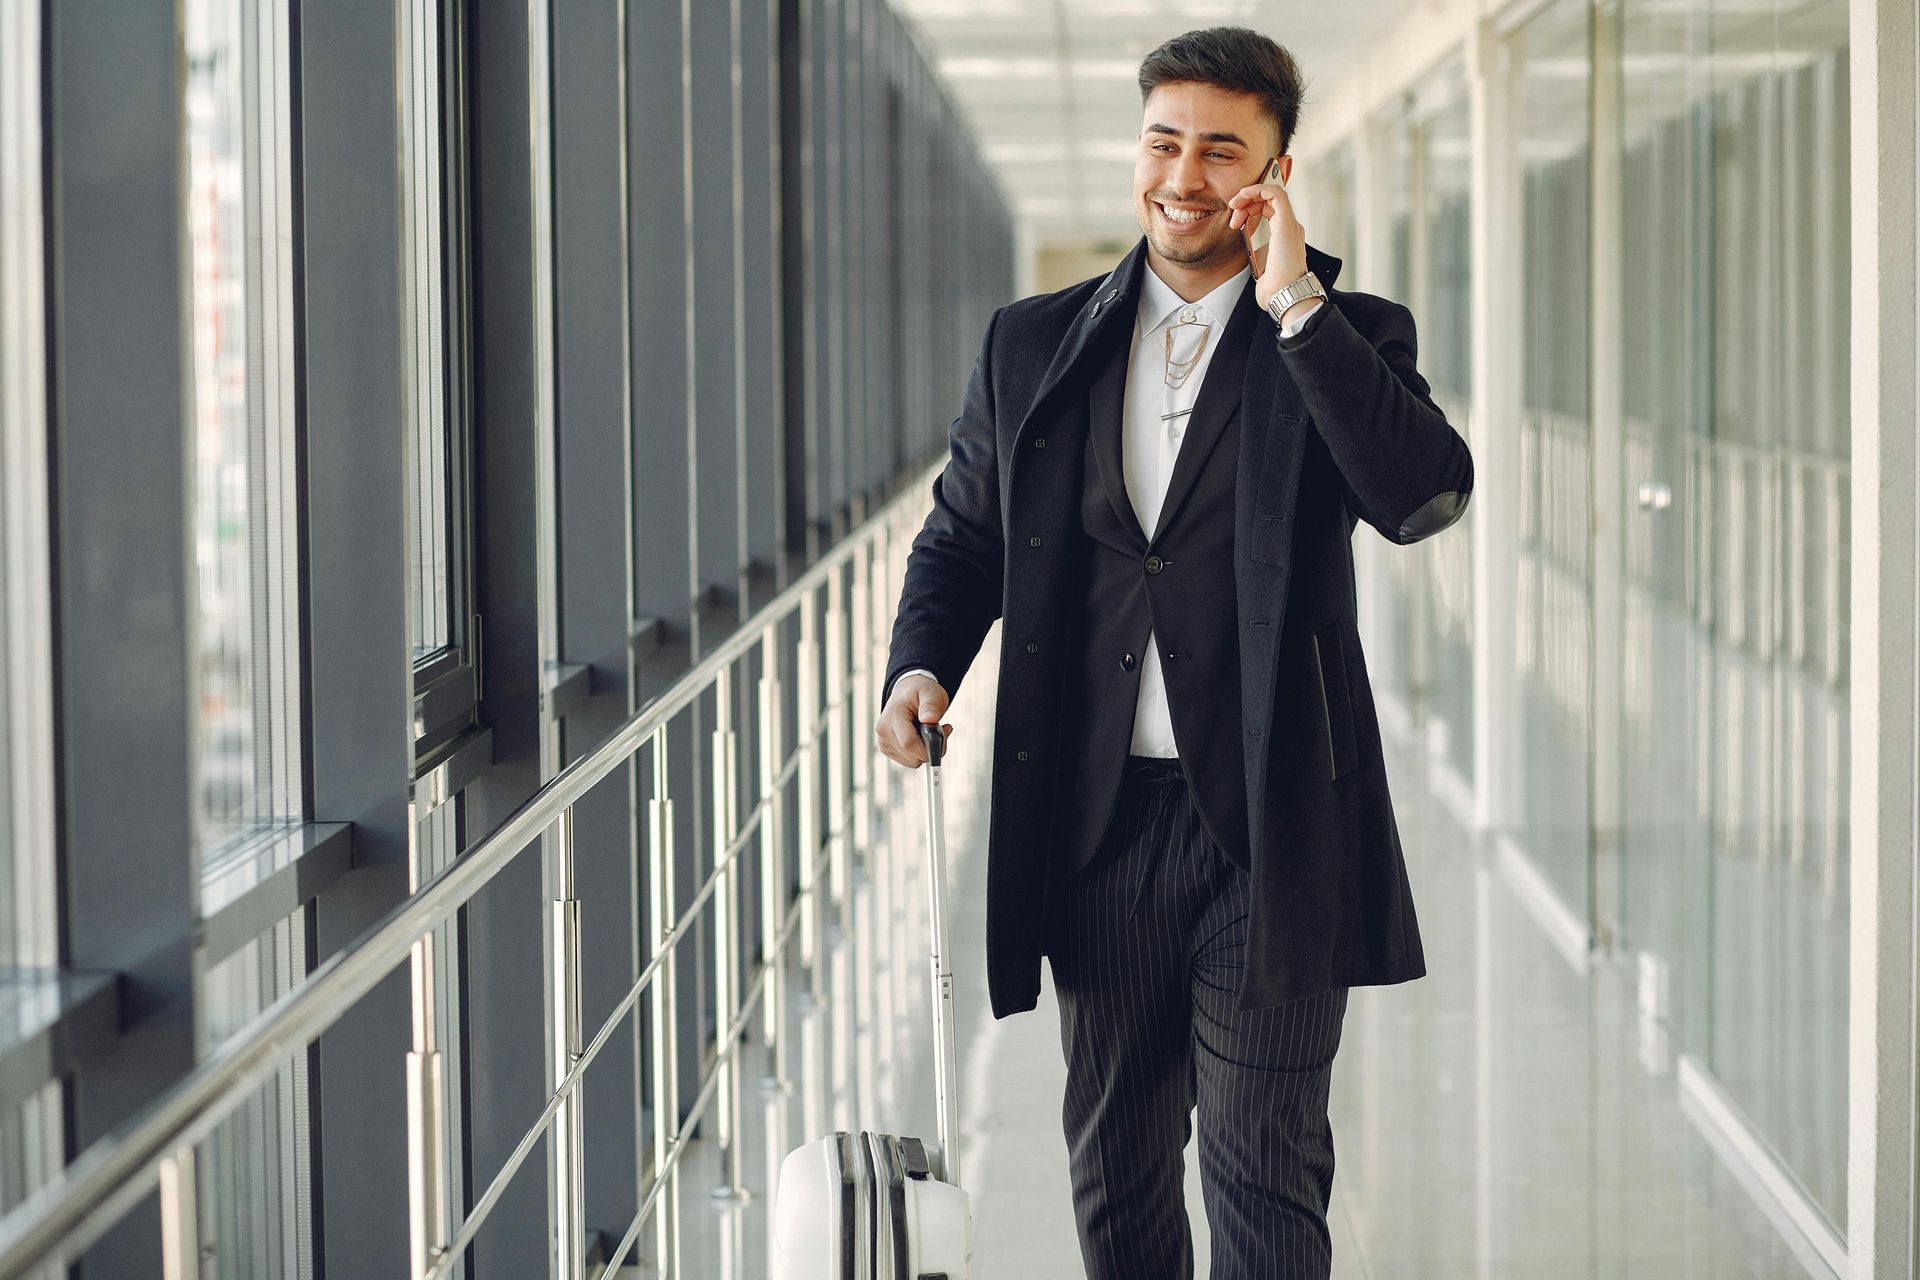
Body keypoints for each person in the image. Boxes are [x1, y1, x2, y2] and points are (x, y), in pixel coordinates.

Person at [873, 25, 1473, 1280]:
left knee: (1261, 1166)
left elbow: (1422, 494)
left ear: (1276, 171)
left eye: (1221, 150)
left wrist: (1296, 302)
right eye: (1163, 142)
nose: (1183, 177)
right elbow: (964, 533)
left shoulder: (1342, 331)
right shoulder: (1030, 343)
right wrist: (920, 665)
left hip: (1271, 819)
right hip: (1093, 821)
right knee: (1116, 1164)